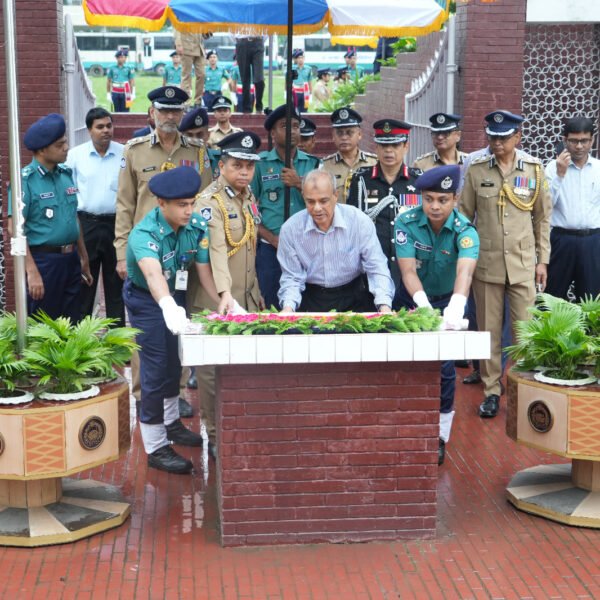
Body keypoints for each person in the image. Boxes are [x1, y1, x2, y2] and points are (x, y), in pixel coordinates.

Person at [124, 166, 234, 474]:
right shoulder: (144, 234)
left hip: (176, 295)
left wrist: (224, 298)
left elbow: (203, 272)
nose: (189, 210)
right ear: (161, 203)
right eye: (182, 205)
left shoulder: (197, 225)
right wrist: (168, 306)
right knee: (155, 369)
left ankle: (171, 424)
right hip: (148, 299)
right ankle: (156, 445)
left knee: (176, 363)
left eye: (191, 202)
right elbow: (152, 274)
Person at [115, 85, 213, 419]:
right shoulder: (135, 151)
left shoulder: (198, 152)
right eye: (165, 110)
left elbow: (203, 203)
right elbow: (125, 205)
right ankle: (146, 395)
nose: (171, 116)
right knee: (150, 334)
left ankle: (176, 393)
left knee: (178, 326)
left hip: (183, 255)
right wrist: (119, 253)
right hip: (146, 254)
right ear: (151, 113)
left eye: (176, 110)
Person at [460, 110, 552, 419]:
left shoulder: (534, 169)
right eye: (493, 138)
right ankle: (491, 392)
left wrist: (543, 261)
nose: (497, 143)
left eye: (503, 138)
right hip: (486, 265)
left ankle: (523, 389)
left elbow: (542, 219)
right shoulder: (476, 170)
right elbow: (463, 217)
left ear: (517, 138)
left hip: (524, 264)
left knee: (525, 331)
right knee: (488, 332)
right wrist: (467, 259)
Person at [394, 165, 479, 465]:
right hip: (412, 301)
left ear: (455, 199)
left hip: (449, 302)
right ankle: (402, 428)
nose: (435, 206)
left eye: (442, 199)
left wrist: (454, 308)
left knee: (444, 370)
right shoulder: (406, 222)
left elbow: (465, 273)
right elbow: (406, 270)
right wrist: (424, 307)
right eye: (428, 198)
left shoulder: (466, 230)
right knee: (404, 364)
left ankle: (440, 435)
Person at [192, 131, 263, 459]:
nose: (244, 171)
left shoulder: (246, 197)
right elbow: (215, 251)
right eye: (237, 165)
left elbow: (249, 249)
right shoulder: (210, 202)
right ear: (222, 165)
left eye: (249, 165)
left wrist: (254, 295)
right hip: (217, 301)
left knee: (242, 369)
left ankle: (239, 427)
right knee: (210, 372)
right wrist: (224, 294)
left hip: (245, 299)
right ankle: (216, 435)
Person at [7, 113, 92, 321]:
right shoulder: (25, 180)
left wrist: (84, 258)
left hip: (70, 260)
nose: (66, 148)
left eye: (65, 142)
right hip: (44, 262)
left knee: (72, 324)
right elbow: (14, 228)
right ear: (43, 150)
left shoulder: (65, 174)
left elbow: (73, 219)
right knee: (43, 326)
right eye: (59, 144)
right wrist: (31, 271)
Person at [278, 170, 394, 313]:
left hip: (354, 296)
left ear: (335, 196)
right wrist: (288, 308)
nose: (317, 208)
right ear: (303, 197)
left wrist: (384, 305)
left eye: (323, 201)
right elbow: (292, 277)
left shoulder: (358, 221)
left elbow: (376, 267)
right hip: (312, 297)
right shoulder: (290, 229)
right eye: (310, 201)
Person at [250, 105, 321, 309]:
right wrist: (271, 238)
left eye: (296, 126)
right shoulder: (260, 164)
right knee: (271, 303)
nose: (292, 131)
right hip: (271, 247)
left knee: (307, 304)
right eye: (284, 126)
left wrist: (299, 183)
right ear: (272, 133)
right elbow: (248, 210)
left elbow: (326, 204)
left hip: (308, 244)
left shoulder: (313, 164)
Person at [346, 119, 422, 297]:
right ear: (376, 148)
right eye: (384, 145)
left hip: (409, 267)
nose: (389, 151)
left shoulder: (418, 181)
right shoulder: (361, 180)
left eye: (395, 145)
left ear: (406, 146)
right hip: (371, 269)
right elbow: (352, 224)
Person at [66, 107, 125, 325]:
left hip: (115, 225)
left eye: (109, 126)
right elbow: (68, 193)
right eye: (100, 127)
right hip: (86, 225)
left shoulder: (124, 153)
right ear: (90, 130)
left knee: (115, 285)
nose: (106, 131)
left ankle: (116, 344)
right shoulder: (75, 156)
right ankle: (83, 340)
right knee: (85, 284)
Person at [544, 116, 600, 300]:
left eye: (584, 141)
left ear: (592, 140)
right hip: (561, 240)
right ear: (565, 140)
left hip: (592, 241)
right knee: (552, 298)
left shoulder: (598, 169)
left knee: (591, 300)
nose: (579, 146)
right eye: (574, 141)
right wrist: (560, 175)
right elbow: (546, 206)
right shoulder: (553, 168)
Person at [322, 107, 377, 202]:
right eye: (339, 133)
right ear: (333, 136)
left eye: (349, 132)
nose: (344, 137)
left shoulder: (374, 163)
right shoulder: (324, 166)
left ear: (359, 134)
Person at [174, 32, 207, 106]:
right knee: (186, 75)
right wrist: (178, 44)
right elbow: (177, 28)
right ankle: (186, 101)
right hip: (186, 47)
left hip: (199, 48)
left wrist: (208, 30)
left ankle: (198, 101)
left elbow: (204, 35)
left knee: (202, 74)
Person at [235, 36, 265, 113]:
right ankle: (246, 109)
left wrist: (260, 39)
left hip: (257, 41)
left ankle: (259, 106)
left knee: (259, 78)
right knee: (245, 79)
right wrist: (238, 40)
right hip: (242, 42)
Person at [291, 49, 312, 113]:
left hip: (305, 91)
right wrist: (286, 92)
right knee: (294, 109)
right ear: (296, 59)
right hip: (295, 91)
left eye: (302, 57)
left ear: (304, 58)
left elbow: (310, 81)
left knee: (305, 109)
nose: (300, 59)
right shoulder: (292, 68)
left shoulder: (308, 69)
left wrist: (311, 93)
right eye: (299, 58)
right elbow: (288, 81)